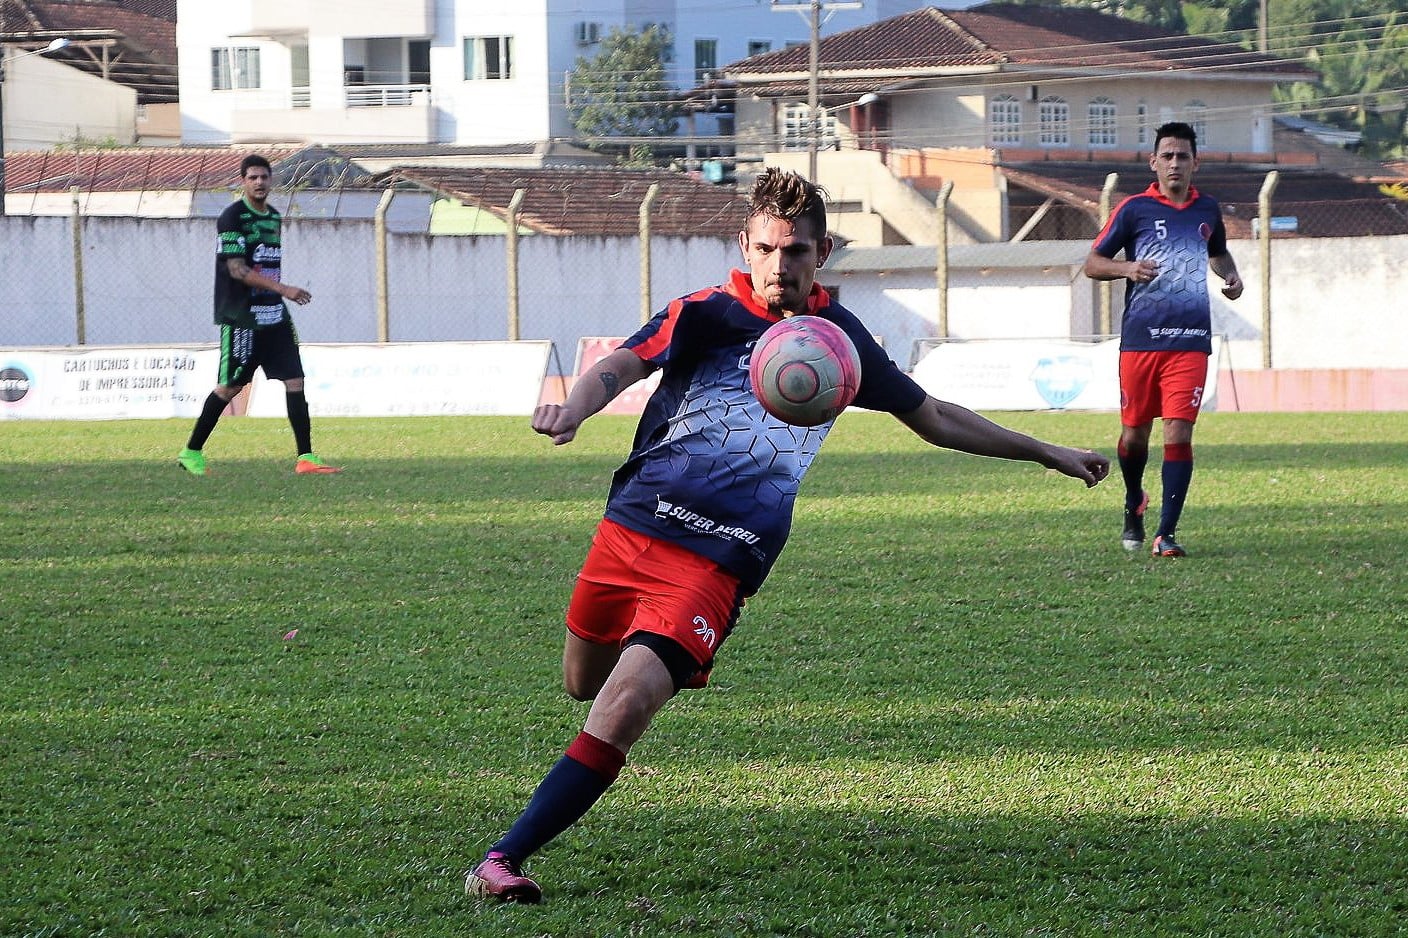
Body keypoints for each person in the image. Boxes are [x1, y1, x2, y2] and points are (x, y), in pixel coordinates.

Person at [467, 168, 1110, 904]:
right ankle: (609, 700)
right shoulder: (706, 314)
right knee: (583, 683)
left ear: (822, 252)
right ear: (746, 245)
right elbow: (619, 364)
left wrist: (1044, 450)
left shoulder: (840, 343)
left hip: (716, 564)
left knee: (623, 705)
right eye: (767, 249)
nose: (780, 266)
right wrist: (576, 407)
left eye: (796, 252)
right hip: (629, 532)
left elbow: (932, 415)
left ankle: (503, 857)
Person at [1083, 122, 1242, 557]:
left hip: (1190, 340)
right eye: (1167, 155)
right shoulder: (1133, 210)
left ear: (1195, 162)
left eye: (1183, 155)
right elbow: (1093, 263)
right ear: (1154, 162)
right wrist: (1127, 269)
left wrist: (1230, 273)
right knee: (1134, 435)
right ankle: (1134, 500)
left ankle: (1165, 533)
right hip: (1140, 341)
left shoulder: (1207, 210)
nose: (1175, 163)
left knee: (1179, 432)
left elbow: (1217, 252)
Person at [177, 154, 341, 476]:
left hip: (274, 316)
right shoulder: (232, 217)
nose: (259, 183)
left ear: (270, 180)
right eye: (252, 177)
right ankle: (191, 452)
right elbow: (237, 270)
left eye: (264, 177)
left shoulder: (274, 217)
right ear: (243, 181)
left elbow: (266, 264)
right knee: (230, 388)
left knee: (295, 380)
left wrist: (278, 295)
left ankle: (305, 458)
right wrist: (285, 289)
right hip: (242, 318)